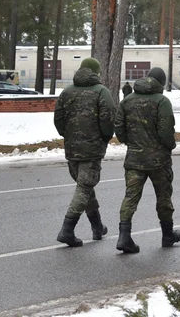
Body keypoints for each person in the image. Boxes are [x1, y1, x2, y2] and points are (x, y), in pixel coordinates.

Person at [114, 68, 180, 254]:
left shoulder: (127, 101)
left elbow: (119, 128)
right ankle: (168, 234)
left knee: (130, 197)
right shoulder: (162, 101)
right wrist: (168, 146)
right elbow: (166, 130)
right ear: (161, 82)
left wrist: (131, 142)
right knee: (164, 197)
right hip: (159, 160)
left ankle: (124, 236)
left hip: (134, 158)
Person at [54, 58, 115, 247]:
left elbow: (58, 119)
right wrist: (104, 138)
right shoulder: (101, 92)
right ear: (96, 72)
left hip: (72, 149)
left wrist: (68, 135)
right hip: (92, 148)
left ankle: (97, 227)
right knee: (84, 188)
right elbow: (108, 120)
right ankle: (67, 230)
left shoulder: (66, 92)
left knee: (85, 186)